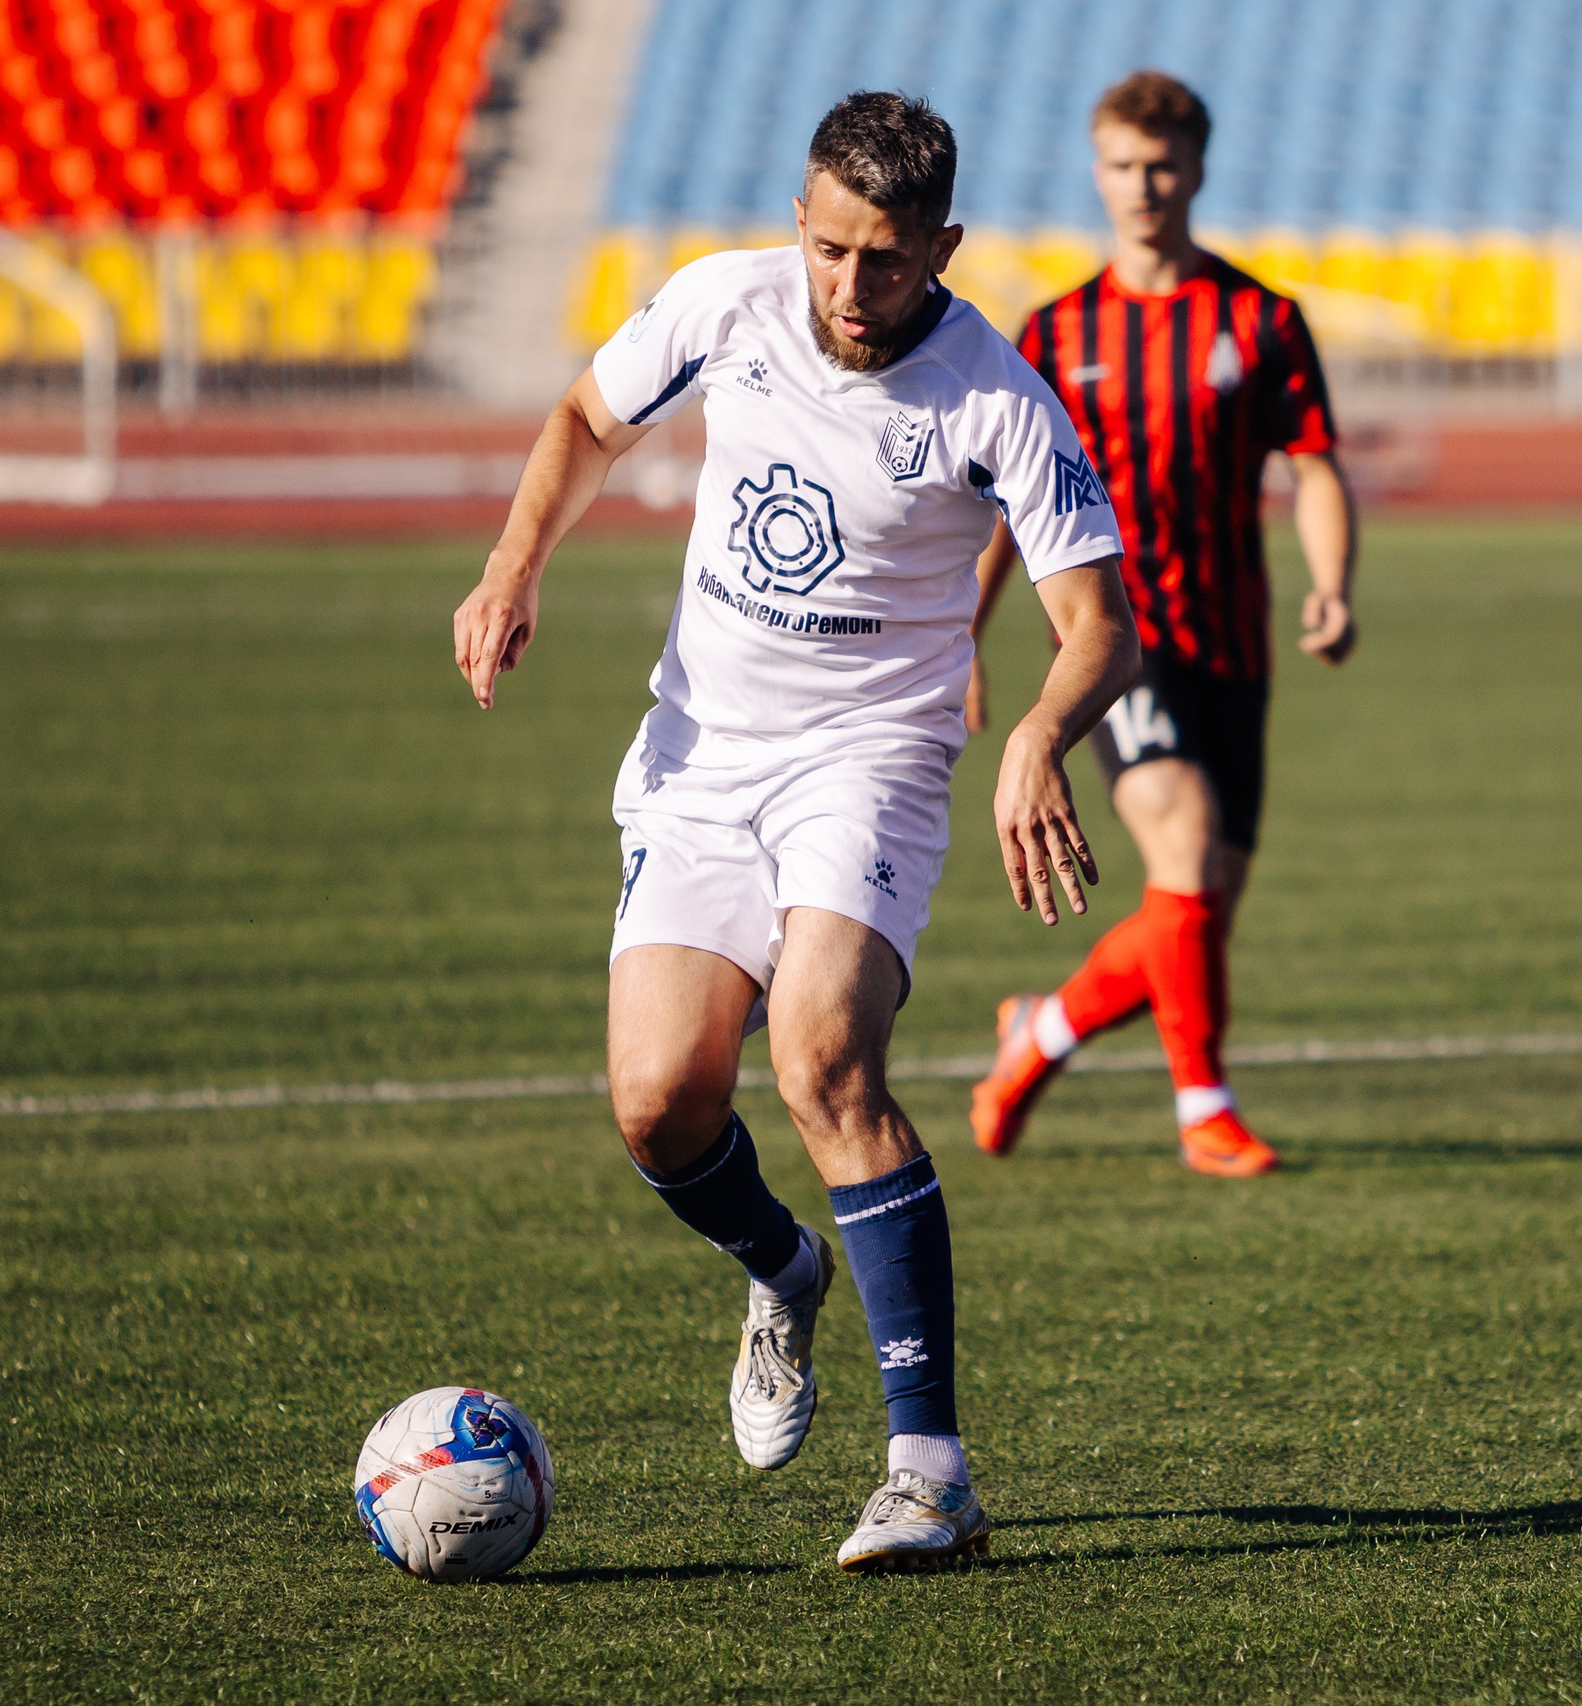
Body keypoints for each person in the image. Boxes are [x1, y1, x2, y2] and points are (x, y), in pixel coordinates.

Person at [453, 92, 1136, 1571]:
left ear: (942, 246)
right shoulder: (726, 303)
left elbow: (1102, 627)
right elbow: (586, 415)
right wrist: (516, 567)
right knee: (657, 1104)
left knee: (823, 1049)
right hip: (702, 756)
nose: (847, 287)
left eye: (884, 260)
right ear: (798, 220)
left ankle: (929, 1465)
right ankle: (784, 1267)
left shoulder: (998, 397)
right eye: (827, 248)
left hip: (871, 761)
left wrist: (1032, 733)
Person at [966, 70, 1358, 1179]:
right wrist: (968, 634)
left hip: (1231, 646)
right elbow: (1011, 500)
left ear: (1195, 169)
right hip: (1113, 645)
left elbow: (1316, 464)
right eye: (1123, 166)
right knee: (1180, 849)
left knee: (1198, 913)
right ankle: (1204, 1108)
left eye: (1162, 166)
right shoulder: (1055, 332)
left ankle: (1034, 1035)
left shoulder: (1261, 318)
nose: (1143, 186)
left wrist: (1332, 581)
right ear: (1098, 173)